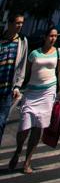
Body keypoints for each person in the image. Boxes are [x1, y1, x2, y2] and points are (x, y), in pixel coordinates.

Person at [9, 25, 60, 173]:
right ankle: (18, 150)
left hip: (48, 92)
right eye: (51, 36)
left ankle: (28, 161)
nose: (53, 38)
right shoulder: (34, 54)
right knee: (24, 127)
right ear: (45, 37)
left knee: (38, 127)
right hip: (32, 92)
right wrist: (17, 86)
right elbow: (24, 72)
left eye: (56, 36)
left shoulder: (58, 52)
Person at [0, 12, 28, 145]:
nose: (20, 26)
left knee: (1, 122)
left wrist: (17, 85)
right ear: (10, 23)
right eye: (18, 23)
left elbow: (22, 65)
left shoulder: (22, 41)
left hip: (8, 90)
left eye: (22, 23)